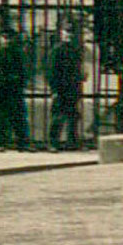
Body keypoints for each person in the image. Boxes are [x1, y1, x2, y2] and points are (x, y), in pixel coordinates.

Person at [0, 22, 33, 151]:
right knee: (1, 119)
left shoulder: (17, 53)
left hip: (15, 90)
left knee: (19, 117)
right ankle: (1, 143)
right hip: (2, 90)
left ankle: (22, 143)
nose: (6, 40)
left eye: (9, 38)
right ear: (1, 39)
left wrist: (22, 85)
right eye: (4, 37)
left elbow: (24, 71)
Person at [46, 21, 87, 151]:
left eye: (71, 32)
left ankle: (72, 142)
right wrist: (54, 89)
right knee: (58, 116)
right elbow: (51, 71)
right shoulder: (57, 50)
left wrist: (81, 77)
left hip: (73, 88)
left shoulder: (75, 50)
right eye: (67, 32)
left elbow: (77, 69)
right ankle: (53, 143)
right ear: (62, 33)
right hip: (61, 88)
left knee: (73, 116)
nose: (69, 35)